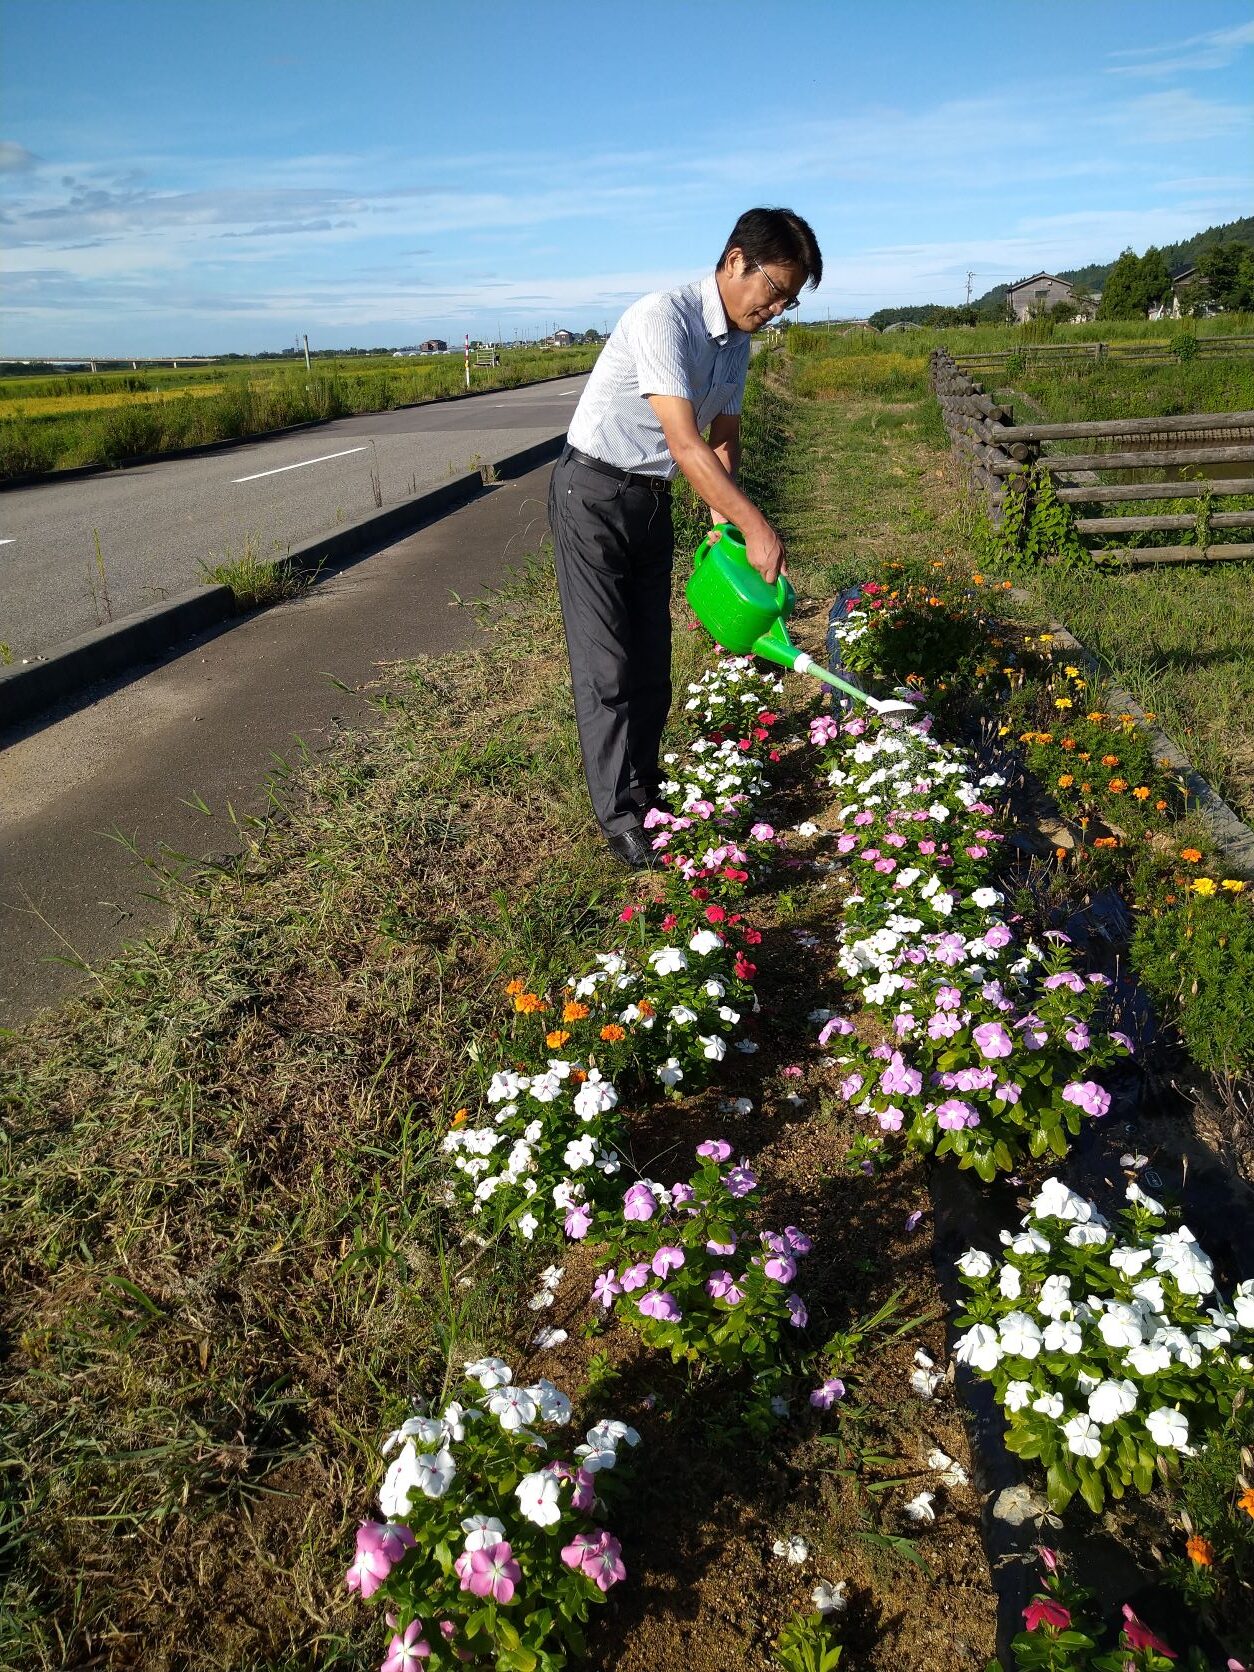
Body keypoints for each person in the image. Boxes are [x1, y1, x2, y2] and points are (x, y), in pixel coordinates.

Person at [547, 206, 822, 869]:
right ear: (736, 262)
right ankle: (621, 818)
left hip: (652, 498)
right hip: (593, 494)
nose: (779, 308)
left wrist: (727, 525)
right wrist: (757, 527)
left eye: (789, 298)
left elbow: (723, 439)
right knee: (607, 665)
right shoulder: (661, 318)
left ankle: (648, 790)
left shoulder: (737, 343)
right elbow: (685, 440)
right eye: (776, 290)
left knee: (652, 660)